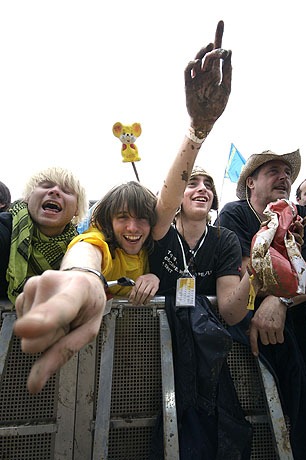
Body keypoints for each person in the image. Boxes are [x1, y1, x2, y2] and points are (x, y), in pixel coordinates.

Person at [13, 20, 233, 394]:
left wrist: (199, 126)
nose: (133, 228)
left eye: (142, 219)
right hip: (65, 362)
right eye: (122, 218)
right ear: (105, 220)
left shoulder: (155, 244)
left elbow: (165, 201)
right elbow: (84, 255)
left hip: (136, 367)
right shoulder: (97, 241)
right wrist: (83, 280)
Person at [149, 166, 254, 459]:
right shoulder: (160, 234)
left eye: (208, 184)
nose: (202, 189)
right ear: (175, 198)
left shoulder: (225, 239)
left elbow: (231, 312)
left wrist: (256, 268)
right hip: (151, 352)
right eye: (192, 183)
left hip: (205, 359)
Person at [217, 149, 306, 459]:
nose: (284, 176)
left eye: (287, 172)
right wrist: (284, 291)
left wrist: (280, 299)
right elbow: (247, 268)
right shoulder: (235, 214)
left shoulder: (299, 218)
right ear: (251, 183)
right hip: (255, 330)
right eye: (273, 171)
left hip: (292, 318)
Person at [0, 166, 88, 301]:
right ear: (28, 197)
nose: (55, 191)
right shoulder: (4, 229)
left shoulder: (82, 248)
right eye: (46, 186)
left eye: (66, 191)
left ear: (77, 209)